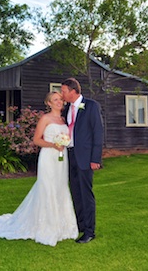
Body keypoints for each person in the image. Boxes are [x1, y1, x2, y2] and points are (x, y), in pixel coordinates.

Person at [0, 91, 78, 246]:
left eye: (60, 99)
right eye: (55, 100)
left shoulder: (63, 119)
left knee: (60, 188)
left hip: (62, 158)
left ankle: (63, 226)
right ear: (49, 103)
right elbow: (36, 140)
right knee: (47, 188)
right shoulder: (45, 119)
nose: (59, 102)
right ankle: (46, 226)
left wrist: (63, 144)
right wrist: (54, 144)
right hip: (48, 157)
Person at [61, 77, 104, 244]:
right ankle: (79, 226)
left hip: (86, 158)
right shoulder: (67, 109)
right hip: (70, 156)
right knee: (76, 193)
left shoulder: (91, 106)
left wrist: (95, 159)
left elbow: (98, 133)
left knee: (86, 195)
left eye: (64, 91)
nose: (62, 94)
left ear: (73, 91)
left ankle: (89, 231)